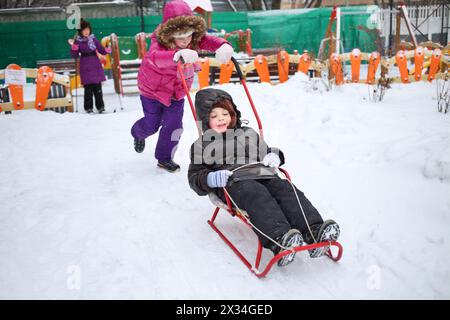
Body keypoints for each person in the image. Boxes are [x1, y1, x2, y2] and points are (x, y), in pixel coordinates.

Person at [188, 88, 340, 267]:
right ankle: (279, 240)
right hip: (233, 182)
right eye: (214, 116)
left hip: (263, 173)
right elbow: (194, 176)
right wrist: (212, 178)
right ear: (205, 121)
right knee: (256, 194)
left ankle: (314, 231)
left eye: (225, 113)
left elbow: (267, 151)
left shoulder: (248, 133)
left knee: (286, 189)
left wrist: (275, 156)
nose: (221, 118)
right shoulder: (202, 145)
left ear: (233, 114)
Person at [131, 0, 234, 173]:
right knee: (152, 125)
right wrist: (176, 55)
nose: (186, 40)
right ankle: (138, 133)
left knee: (174, 126)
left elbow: (211, 40)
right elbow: (154, 57)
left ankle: (164, 158)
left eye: (189, 35)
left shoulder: (193, 40)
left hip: (176, 93)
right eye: (180, 36)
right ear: (170, 34)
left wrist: (224, 45)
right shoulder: (159, 41)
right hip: (153, 92)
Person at [69, 19, 111, 114]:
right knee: (88, 89)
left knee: (98, 88)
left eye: (87, 29)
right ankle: (88, 107)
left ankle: (100, 106)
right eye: (84, 30)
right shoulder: (78, 41)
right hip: (85, 64)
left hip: (95, 64)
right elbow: (74, 55)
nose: (86, 32)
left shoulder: (94, 39)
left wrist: (106, 50)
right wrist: (74, 49)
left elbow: (101, 49)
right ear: (81, 32)